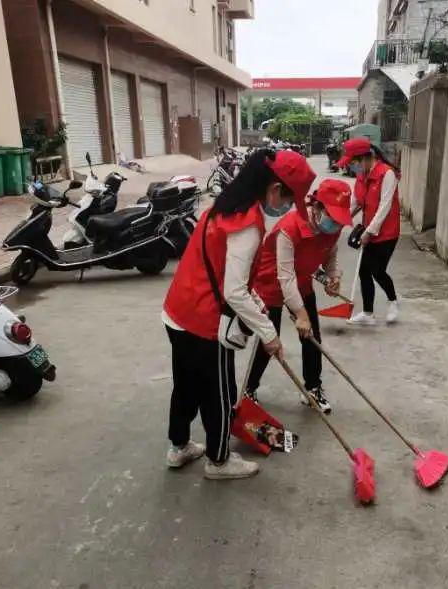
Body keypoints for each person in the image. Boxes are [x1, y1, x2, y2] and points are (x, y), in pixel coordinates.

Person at [162, 149, 316, 479]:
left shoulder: (225, 206)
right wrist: (269, 335)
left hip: (177, 312)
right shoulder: (247, 224)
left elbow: (225, 273)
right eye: (290, 199)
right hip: (205, 321)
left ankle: (179, 447)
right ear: (275, 189)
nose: (288, 208)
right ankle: (219, 461)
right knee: (220, 393)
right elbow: (233, 290)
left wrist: (257, 303)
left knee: (186, 385)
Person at [245, 179, 353, 414]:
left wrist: (333, 276)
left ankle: (313, 388)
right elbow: (285, 277)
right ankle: (249, 390)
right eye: (332, 217)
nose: (336, 224)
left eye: (339, 220)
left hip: (302, 281)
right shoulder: (290, 227)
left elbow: (330, 256)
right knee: (269, 339)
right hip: (272, 281)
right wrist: (299, 313)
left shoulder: (333, 229)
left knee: (312, 336)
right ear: (317, 207)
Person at [337, 138, 401, 326]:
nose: (353, 167)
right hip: (369, 229)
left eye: (354, 163)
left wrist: (369, 232)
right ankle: (368, 313)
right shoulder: (362, 175)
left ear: (365, 158)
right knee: (364, 271)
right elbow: (357, 202)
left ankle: (393, 302)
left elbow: (385, 206)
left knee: (377, 270)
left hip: (387, 233)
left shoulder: (387, 174)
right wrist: (340, 220)